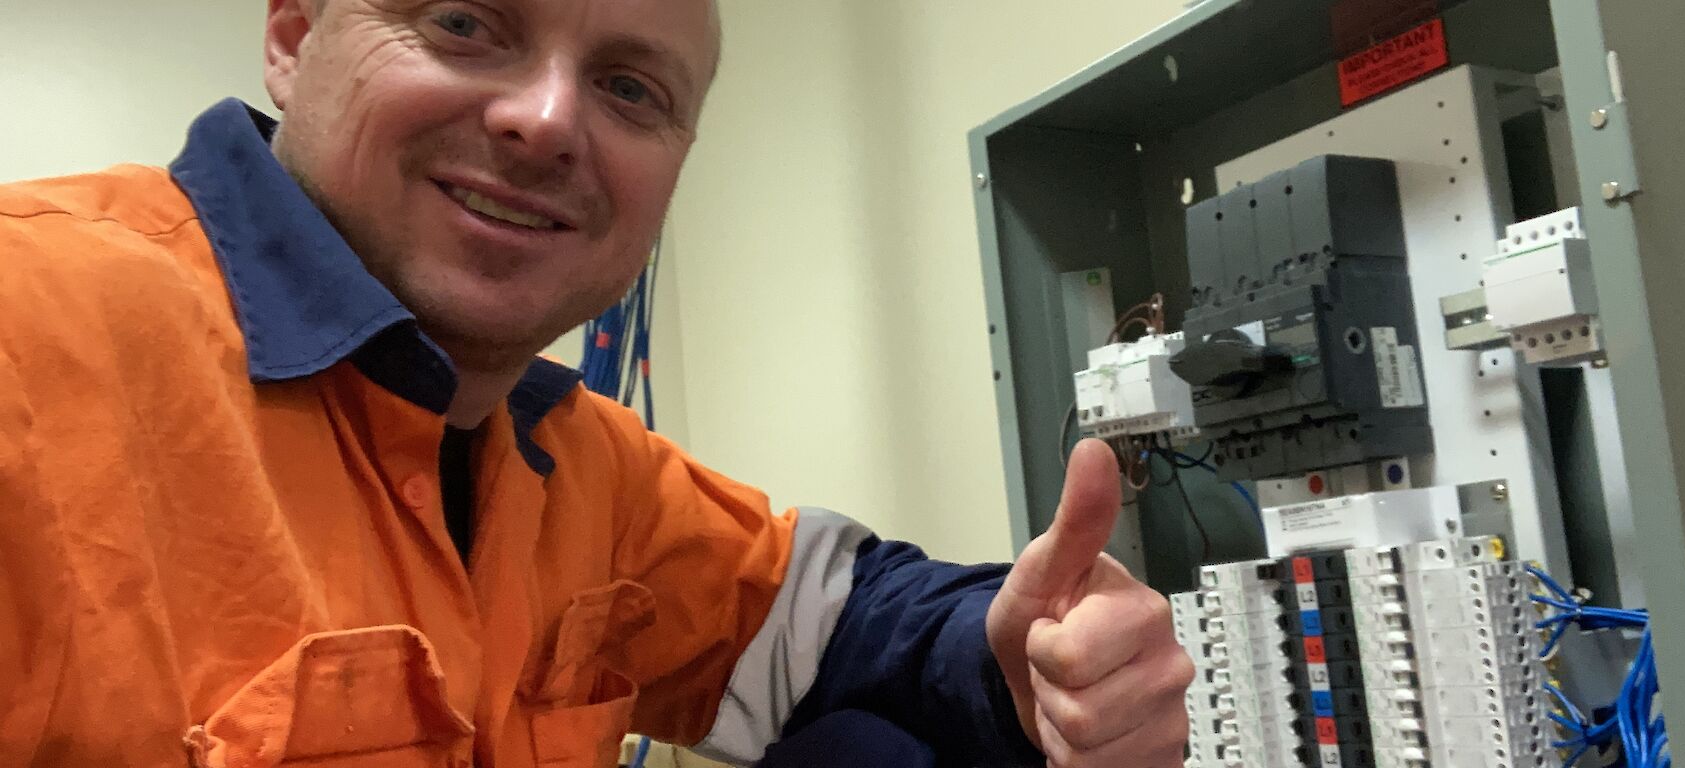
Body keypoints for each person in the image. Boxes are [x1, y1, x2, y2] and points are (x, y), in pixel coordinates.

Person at [0, 0, 1193, 766]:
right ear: (295, 32)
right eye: (465, 22)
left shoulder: (569, 460)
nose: (544, 120)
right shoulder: (31, 336)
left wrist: (1010, 659)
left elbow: (832, 621)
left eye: (630, 88)